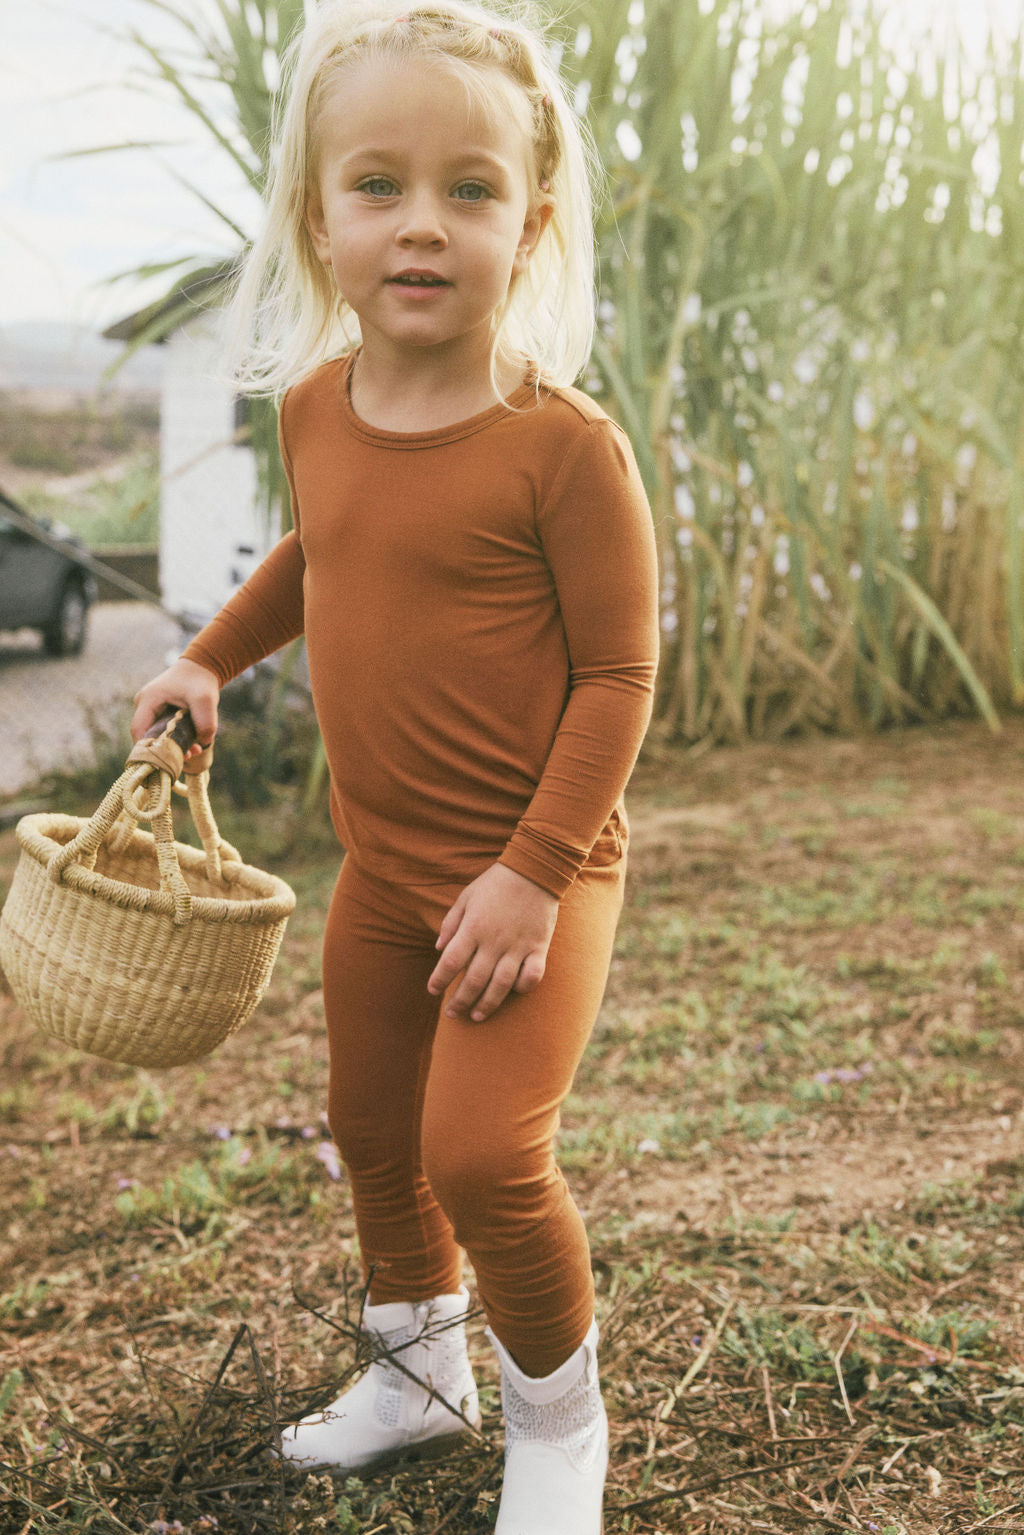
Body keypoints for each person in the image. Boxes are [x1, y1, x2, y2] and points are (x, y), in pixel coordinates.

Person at [131, 2, 659, 1530]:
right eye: (379, 187)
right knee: (373, 1133)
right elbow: (320, 553)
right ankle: (420, 1377)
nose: (422, 226)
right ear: (319, 217)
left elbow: (621, 677)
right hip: (381, 873)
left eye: (470, 191)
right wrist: (205, 660)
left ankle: (561, 1430)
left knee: (480, 1153)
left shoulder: (563, 448)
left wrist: (533, 873)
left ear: (530, 222)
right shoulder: (316, 409)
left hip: (535, 875)